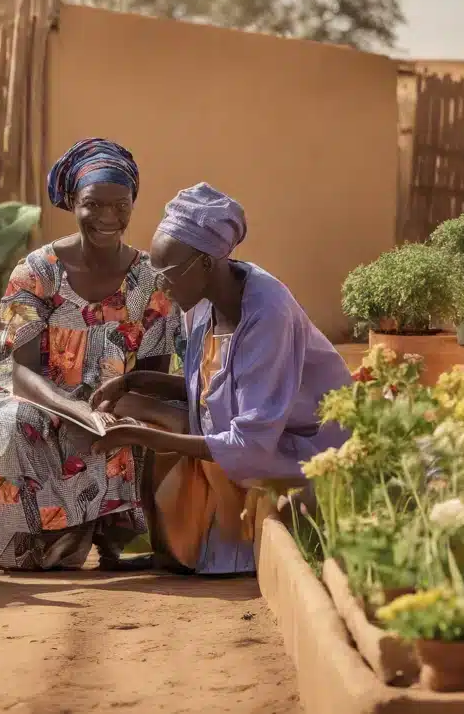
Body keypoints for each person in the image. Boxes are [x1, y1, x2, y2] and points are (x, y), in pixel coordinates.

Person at [88, 183, 353, 575]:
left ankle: (219, 550)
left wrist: (136, 435)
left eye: (169, 275)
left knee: (153, 430)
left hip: (302, 452)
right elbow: (214, 388)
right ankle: (175, 549)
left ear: (208, 263)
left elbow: (250, 440)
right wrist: (133, 382)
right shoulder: (202, 300)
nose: (162, 287)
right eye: (156, 275)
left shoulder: (268, 314)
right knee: (136, 411)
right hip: (254, 437)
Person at [0, 138, 180, 572]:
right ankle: (36, 542)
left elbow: (154, 374)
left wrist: (121, 411)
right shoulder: (36, 272)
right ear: (72, 202)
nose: (108, 217)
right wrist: (78, 409)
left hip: (115, 401)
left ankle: (109, 529)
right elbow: (23, 373)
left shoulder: (150, 280)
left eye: (121, 205)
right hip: (41, 398)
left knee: (147, 424)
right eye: (93, 204)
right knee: (8, 423)